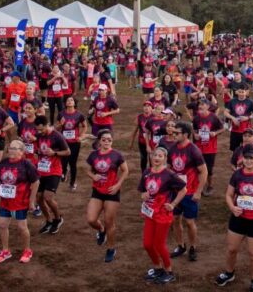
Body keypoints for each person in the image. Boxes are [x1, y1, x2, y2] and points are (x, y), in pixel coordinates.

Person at [215, 145, 253, 291]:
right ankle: (229, 273)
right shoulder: (237, 175)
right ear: (242, 158)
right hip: (239, 218)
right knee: (231, 249)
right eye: (246, 158)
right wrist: (232, 207)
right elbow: (229, 195)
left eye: (251, 158)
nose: (248, 161)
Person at [0, 139, 39, 263]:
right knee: (2, 225)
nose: (11, 150)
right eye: (10, 148)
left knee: (22, 227)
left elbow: (36, 182)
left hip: (20, 201)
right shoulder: (3, 163)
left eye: (14, 148)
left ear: (22, 151)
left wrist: (31, 201)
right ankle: (5, 251)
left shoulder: (26, 164)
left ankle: (27, 250)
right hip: (5, 201)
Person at [139, 146, 188, 285]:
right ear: (151, 157)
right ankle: (158, 268)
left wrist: (173, 204)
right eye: (155, 155)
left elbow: (184, 189)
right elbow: (142, 191)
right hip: (150, 213)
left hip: (163, 214)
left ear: (165, 159)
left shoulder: (169, 175)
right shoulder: (147, 172)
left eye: (160, 156)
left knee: (159, 245)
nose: (156, 158)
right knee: (148, 244)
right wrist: (144, 195)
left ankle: (169, 272)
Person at [86, 129, 129, 263]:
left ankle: (111, 249)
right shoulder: (93, 155)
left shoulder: (117, 155)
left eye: (109, 140)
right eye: (104, 139)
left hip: (112, 192)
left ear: (112, 141)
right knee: (91, 219)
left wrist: (118, 185)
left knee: (110, 222)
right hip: (97, 191)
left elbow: (125, 170)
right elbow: (87, 170)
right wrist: (94, 176)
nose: (106, 142)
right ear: (99, 141)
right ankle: (101, 230)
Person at [168, 121, 208, 262]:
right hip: (175, 192)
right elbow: (169, 167)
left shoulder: (193, 150)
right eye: (174, 132)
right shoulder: (172, 149)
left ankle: (192, 247)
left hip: (190, 193)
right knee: (175, 219)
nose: (174, 134)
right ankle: (180, 246)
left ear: (185, 134)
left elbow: (203, 171)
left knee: (190, 222)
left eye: (177, 133)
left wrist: (198, 191)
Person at [34, 116, 71, 234]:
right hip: (41, 170)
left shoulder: (57, 136)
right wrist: (38, 152)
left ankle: (58, 218)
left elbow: (68, 152)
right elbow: (38, 150)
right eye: (38, 130)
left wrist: (54, 153)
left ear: (47, 124)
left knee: (48, 197)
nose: (40, 132)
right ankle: (48, 221)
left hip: (54, 171)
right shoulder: (39, 136)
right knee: (39, 198)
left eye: (41, 129)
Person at [191, 99, 224, 196]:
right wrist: (195, 134)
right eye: (200, 104)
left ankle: (209, 186)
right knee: (197, 168)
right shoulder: (196, 117)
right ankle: (198, 186)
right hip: (199, 147)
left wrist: (215, 133)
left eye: (203, 105)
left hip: (210, 148)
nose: (200, 106)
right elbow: (193, 128)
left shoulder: (213, 117)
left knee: (209, 169)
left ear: (208, 107)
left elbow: (222, 128)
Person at [56, 96, 88, 190]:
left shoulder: (79, 115)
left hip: (75, 142)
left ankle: (72, 183)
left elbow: (85, 126)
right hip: (63, 142)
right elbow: (57, 129)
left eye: (71, 100)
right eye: (68, 100)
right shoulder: (61, 114)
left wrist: (81, 136)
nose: (69, 102)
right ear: (65, 103)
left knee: (73, 163)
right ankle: (64, 172)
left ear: (74, 103)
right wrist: (60, 124)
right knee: (63, 161)